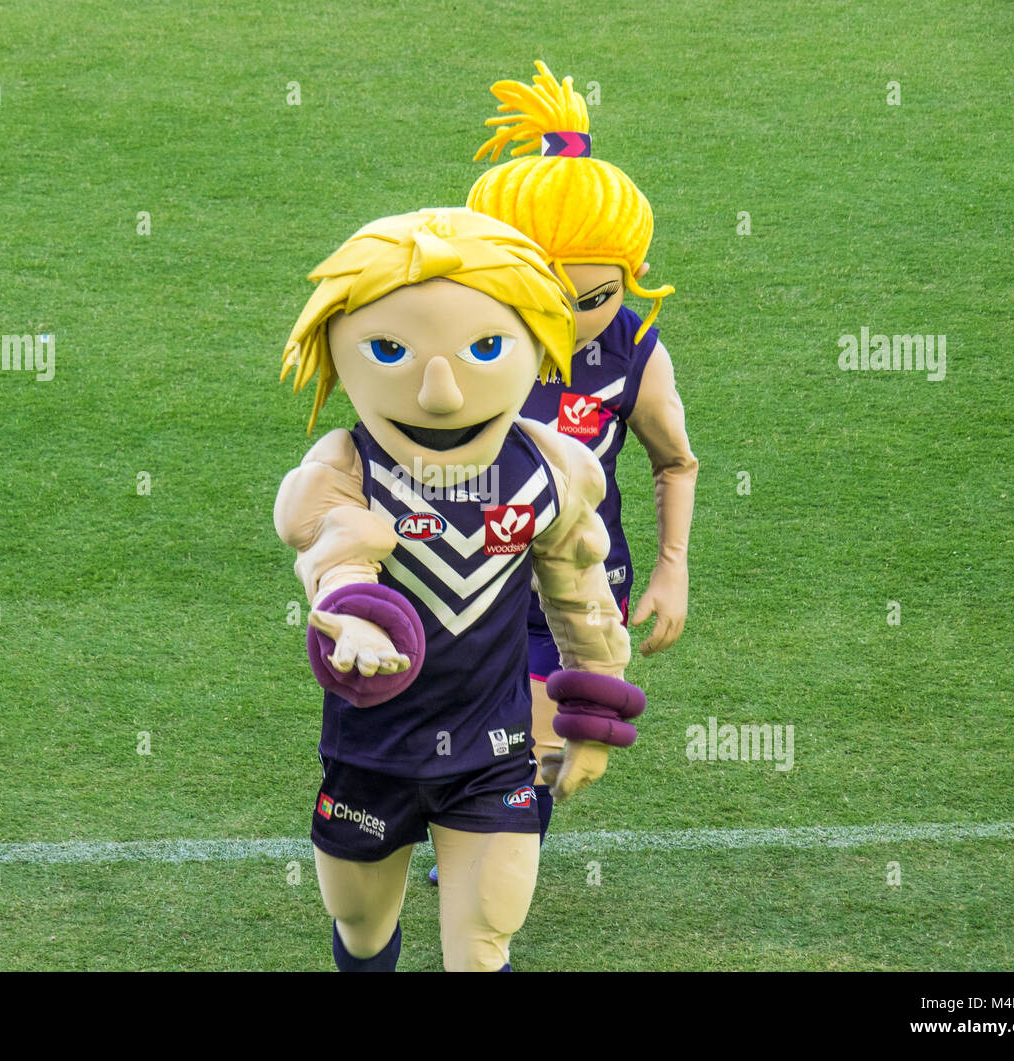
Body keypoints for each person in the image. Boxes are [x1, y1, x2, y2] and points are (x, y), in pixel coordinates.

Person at [275, 207, 646, 970]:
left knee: (483, 942)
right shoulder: (345, 467)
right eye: (389, 348)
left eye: (483, 347)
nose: (441, 391)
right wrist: (354, 618)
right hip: (371, 751)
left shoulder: (550, 468)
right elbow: (336, 554)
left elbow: (580, 594)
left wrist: (593, 710)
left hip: (494, 753)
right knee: (362, 928)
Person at [461, 60, 699, 849]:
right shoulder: (468, 340)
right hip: (466, 568)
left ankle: (498, 859)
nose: (569, 320)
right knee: (471, 731)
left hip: (574, 578)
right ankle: (486, 836)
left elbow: (675, 461)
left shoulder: (634, 353)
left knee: (539, 741)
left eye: (593, 298)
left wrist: (672, 566)